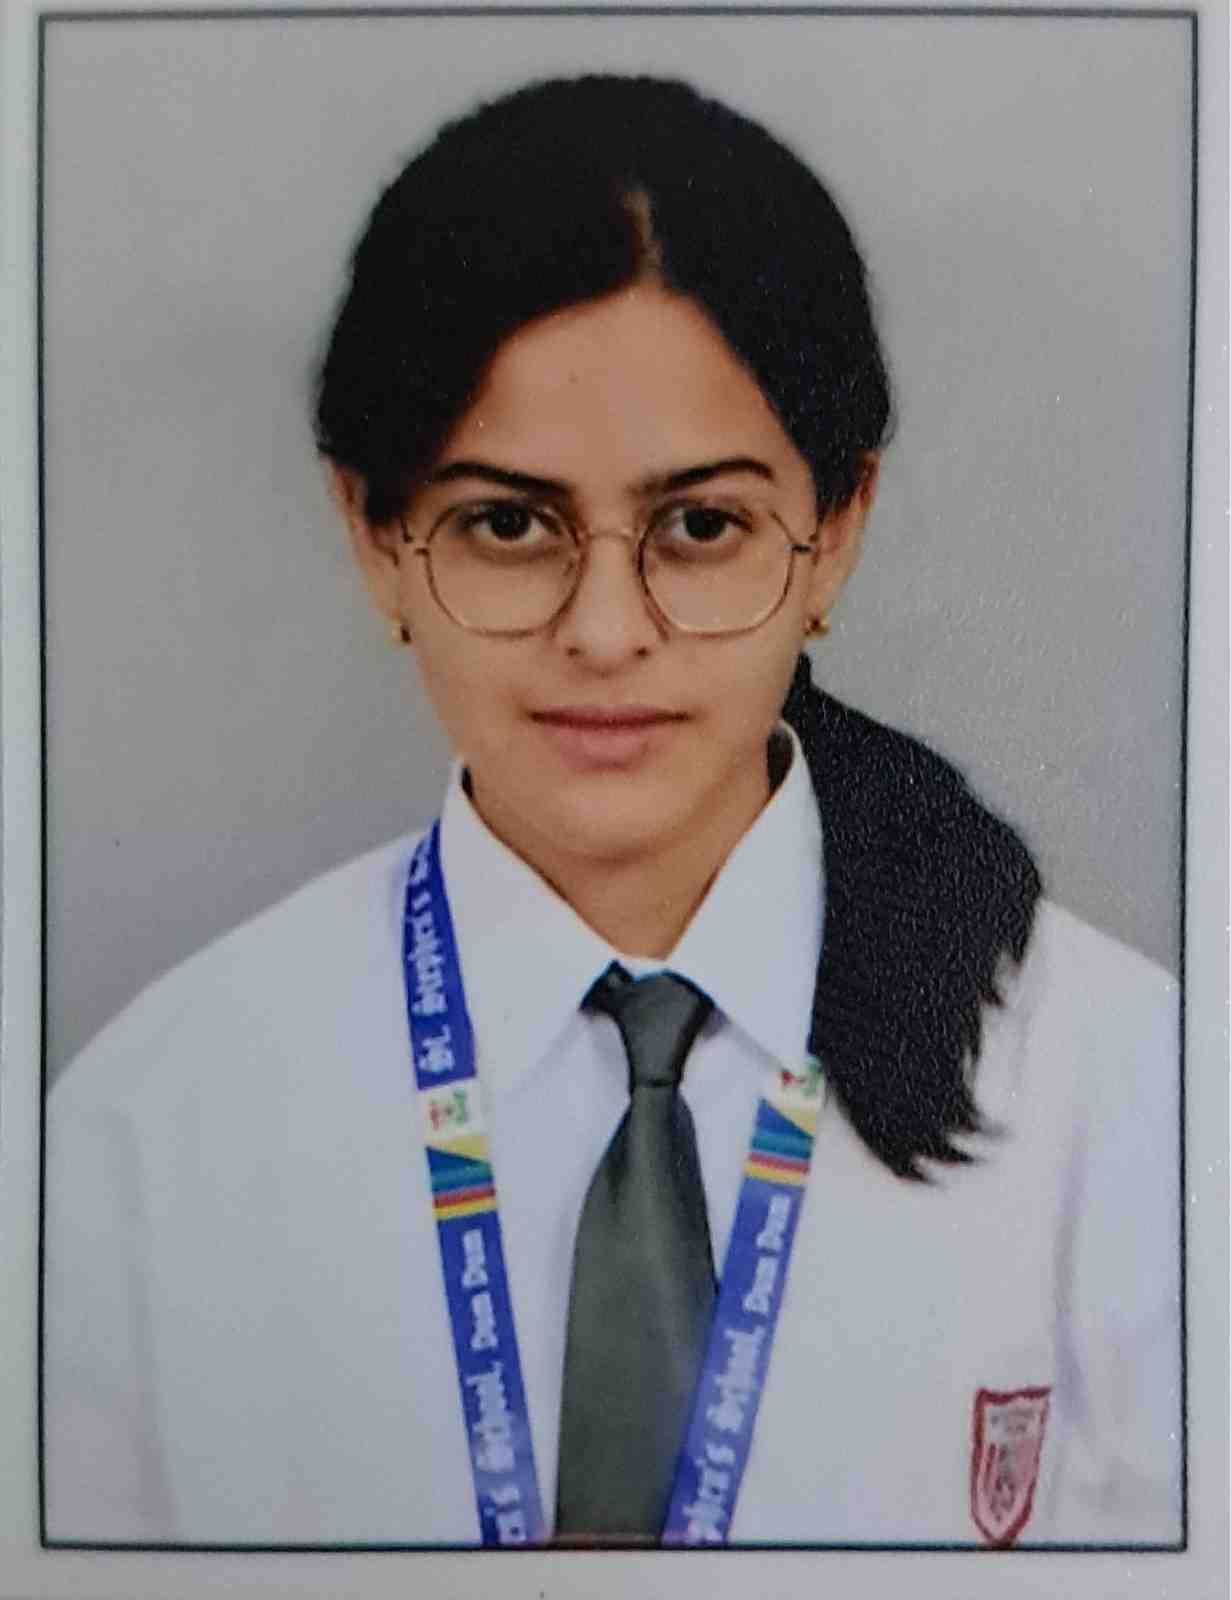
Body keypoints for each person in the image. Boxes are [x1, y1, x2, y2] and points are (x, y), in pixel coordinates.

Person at [44, 74, 1181, 1549]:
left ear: (835, 532)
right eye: (508, 524)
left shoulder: (1134, 1109)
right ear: (374, 538)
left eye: (700, 526)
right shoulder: (144, 1145)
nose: (603, 631)